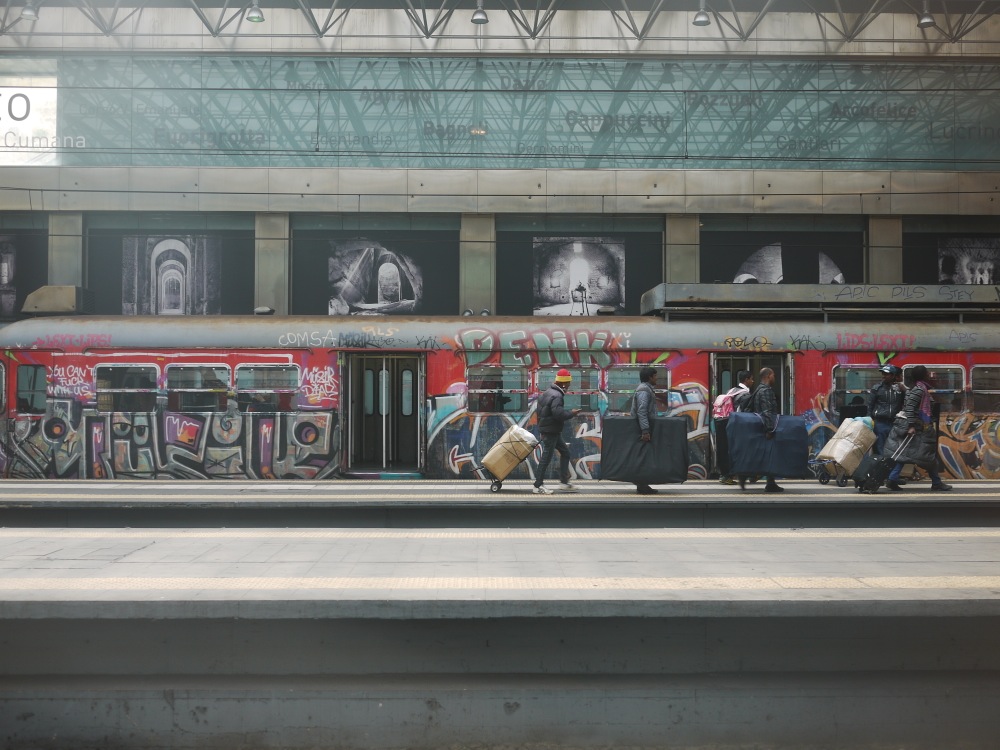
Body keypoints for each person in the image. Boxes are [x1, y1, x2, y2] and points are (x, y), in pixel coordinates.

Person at [886, 365, 952, 492]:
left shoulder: (917, 388)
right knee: (928, 455)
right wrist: (911, 426)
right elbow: (909, 408)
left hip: (919, 426)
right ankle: (936, 482)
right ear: (923, 375)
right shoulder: (919, 390)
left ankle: (892, 479)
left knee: (905, 454)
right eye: (927, 373)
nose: (929, 374)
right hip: (917, 428)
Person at [533, 369, 581, 495]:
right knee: (546, 458)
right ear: (564, 384)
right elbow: (558, 414)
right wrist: (572, 413)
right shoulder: (557, 396)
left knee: (565, 452)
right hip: (551, 431)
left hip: (549, 429)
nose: (569, 385)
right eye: (569, 383)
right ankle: (537, 486)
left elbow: (541, 411)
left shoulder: (547, 392)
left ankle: (564, 482)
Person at [740, 366, 783, 493]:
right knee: (766, 455)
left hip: (761, 426)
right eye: (773, 375)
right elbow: (767, 410)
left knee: (767, 456)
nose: (774, 377)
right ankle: (745, 474)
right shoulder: (766, 391)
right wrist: (770, 429)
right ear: (768, 376)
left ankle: (770, 483)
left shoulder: (759, 389)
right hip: (765, 428)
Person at [715, 370, 754, 485]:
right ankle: (744, 474)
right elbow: (746, 412)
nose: (753, 381)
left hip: (721, 421)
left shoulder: (731, 390)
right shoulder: (745, 394)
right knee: (738, 449)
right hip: (733, 424)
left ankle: (725, 475)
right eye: (751, 379)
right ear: (746, 380)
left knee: (724, 449)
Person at [631, 366, 660, 495]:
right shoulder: (644, 390)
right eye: (655, 376)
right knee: (643, 456)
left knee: (644, 456)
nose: (657, 378)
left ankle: (642, 484)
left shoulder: (646, 389)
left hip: (644, 427)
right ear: (650, 377)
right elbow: (642, 411)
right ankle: (641, 485)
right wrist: (645, 431)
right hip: (643, 429)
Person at [867, 364, 905, 456]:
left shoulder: (899, 389)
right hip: (880, 422)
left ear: (893, 376)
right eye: (883, 373)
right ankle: (880, 468)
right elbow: (870, 405)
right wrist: (869, 420)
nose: (884, 376)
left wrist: (904, 390)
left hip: (895, 422)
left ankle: (889, 468)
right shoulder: (877, 388)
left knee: (894, 448)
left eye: (886, 374)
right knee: (880, 447)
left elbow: (905, 402)